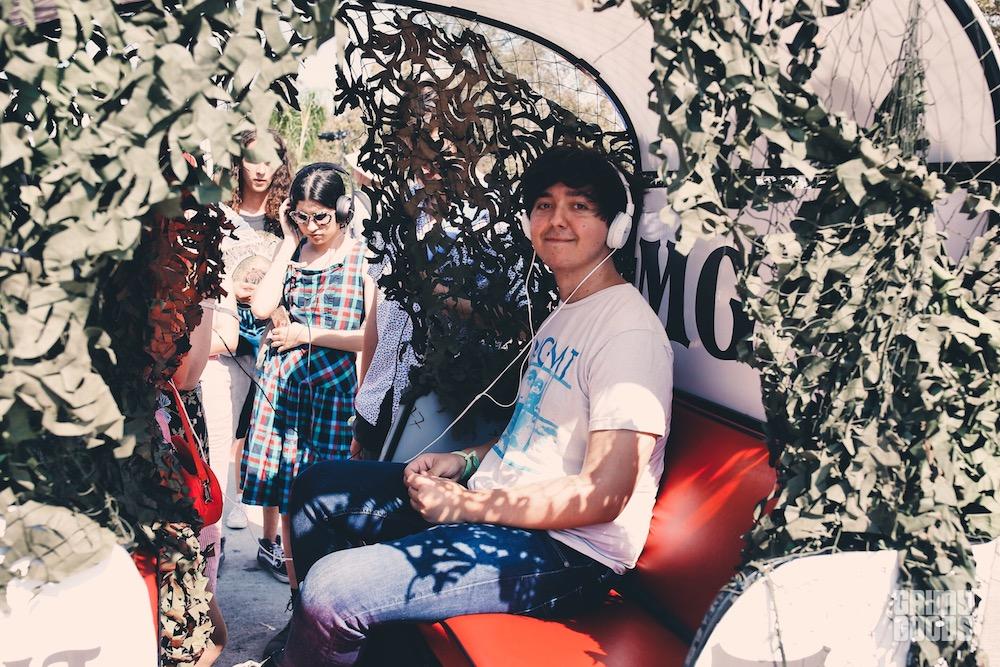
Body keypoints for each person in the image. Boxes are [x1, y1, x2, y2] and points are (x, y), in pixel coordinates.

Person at [245, 145, 674, 666]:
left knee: (333, 591)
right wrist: (464, 461)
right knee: (318, 488)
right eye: (544, 205)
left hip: (569, 551)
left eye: (579, 206)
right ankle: (321, 644)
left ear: (617, 227)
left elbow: (604, 494)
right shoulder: (567, 312)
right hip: (505, 510)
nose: (557, 220)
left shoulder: (627, 334)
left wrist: (467, 506)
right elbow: (536, 435)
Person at [240, 162, 375, 598]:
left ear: (343, 211)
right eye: (302, 216)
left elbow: (368, 337)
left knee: (325, 499)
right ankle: (297, 600)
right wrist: (287, 242)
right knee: (287, 494)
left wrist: (308, 334)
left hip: (333, 396)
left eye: (321, 217)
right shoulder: (296, 250)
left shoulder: (363, 258)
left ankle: (321, 595)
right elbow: (262, 307)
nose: (312, 226)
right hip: (284, 391)